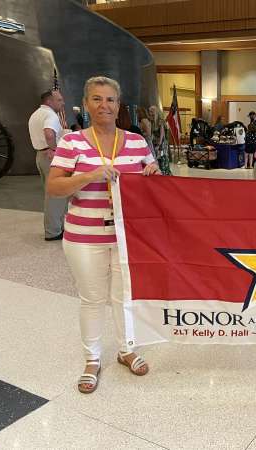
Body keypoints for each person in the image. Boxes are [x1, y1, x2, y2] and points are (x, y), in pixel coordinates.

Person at [47, 76, 161, 394]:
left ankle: (126, 349)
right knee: (93, 299)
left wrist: (154, 175)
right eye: (96, 99)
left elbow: (154, 182)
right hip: (84, 236)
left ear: (118, 104)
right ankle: (92, 359)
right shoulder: (72, 142)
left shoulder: (137, 142)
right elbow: (54, 187)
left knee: (124, 297)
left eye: (110, 99)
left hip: (127, 236)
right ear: (86, 104)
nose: (104, 105)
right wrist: (90, 175)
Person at [28, 90, 69, 241]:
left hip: (41, 155)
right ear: (49, 101)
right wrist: (54, 148)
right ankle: (54, 231)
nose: (63, 103)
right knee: (57, 195)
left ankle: (57, 227)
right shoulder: (50, 115)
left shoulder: (36, 114)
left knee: (52, 194)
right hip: (51, 156)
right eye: (59, 100)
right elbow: (49, 133)